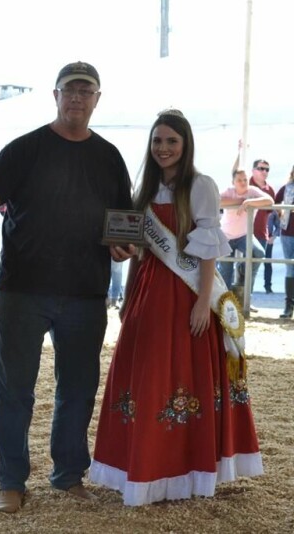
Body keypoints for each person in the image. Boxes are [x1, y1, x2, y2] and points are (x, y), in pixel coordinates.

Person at [0, 61, 134, 513]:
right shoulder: (24, 149)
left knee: (78, 387)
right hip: (23, 290)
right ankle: (11, 481)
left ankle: (69, 475)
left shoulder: (109, 156)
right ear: (55, 96)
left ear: (97, 99)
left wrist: (123, 246)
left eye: (85, 90)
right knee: (14, 389)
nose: (76, 98)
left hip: (87, 292)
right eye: (69, 90)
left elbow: (123, 220)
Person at [89, 108, 263, 505]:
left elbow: (206, 253)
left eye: (171, 141)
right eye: (157, 141)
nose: (163, 148)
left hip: (185, 294)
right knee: (146, 372)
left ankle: (185, 470)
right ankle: (146, 466)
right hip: (150, 293)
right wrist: (130, 293)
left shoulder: (199, 185)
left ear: (185, 145)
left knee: (185, 373)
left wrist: (204, 302)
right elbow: (138, 252)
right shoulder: (145, 188)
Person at [217, 169, 273, 296]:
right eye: (239, 180)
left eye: (245, 180)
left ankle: (244, 284)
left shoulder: (253, 191)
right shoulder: (228, 191)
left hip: (244, 235)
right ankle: (225, 305)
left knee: (258, 253)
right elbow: (216, 200)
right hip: (226, 236)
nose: (243, 183)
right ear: (233, 182)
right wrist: (241, 202)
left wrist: (249, 202)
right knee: (226, 272)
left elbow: (270, 201)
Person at [232, 143, 276, 292]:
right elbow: (234, 173)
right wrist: (239, 152)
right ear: (253, 170)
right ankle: (232, 298)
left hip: (261, 233)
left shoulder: (270, 189)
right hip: (241, 232)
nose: (265, 171)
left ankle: (247, 299)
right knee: (232, 263)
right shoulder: (245, 182)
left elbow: (270, 212)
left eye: (267, 169)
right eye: (261, 168)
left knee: (254, 266)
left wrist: (272, 233)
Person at [276, 167, 294, 318]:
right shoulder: (287, 187)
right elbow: (275, 202)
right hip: (288, 232)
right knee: (290, 268)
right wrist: (281, 212)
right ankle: (288, 306)